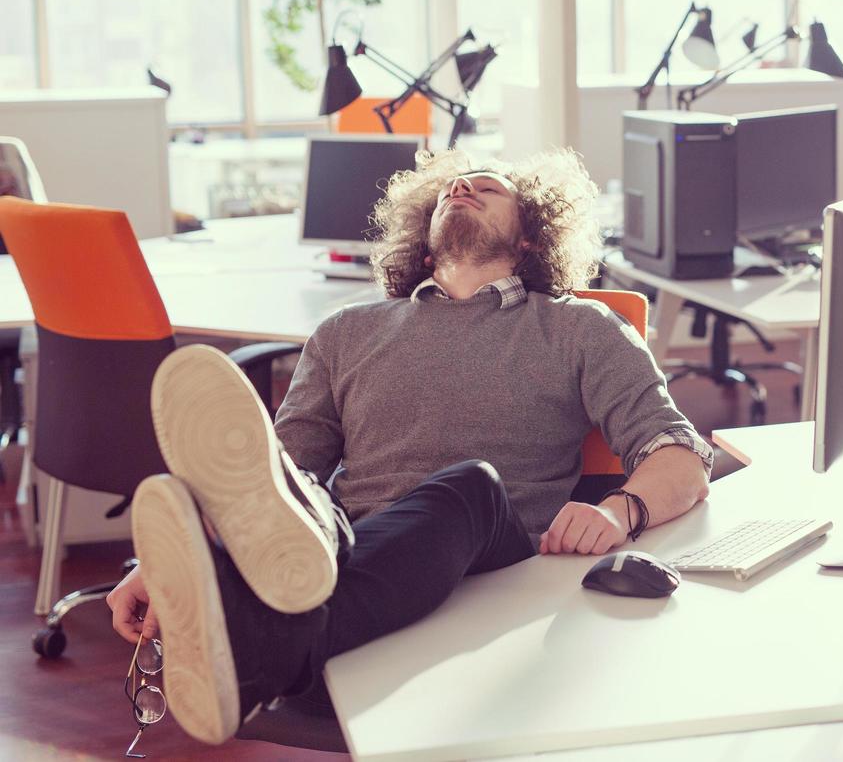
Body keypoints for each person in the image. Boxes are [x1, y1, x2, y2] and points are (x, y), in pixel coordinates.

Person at [106, 147, 712, 745]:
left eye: (488, 187)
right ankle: (255, 629)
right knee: (305, 497)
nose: (462, 189)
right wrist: (165, 567)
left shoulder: (579, 328)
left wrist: (617, 511)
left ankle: (261, 650)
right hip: (340, 563)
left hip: (491, 569)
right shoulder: (347, 331)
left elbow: (681, 456)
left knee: (468, 486)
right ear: (424, 242)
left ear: (530, 237)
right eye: (452, 187)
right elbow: (275, 477)